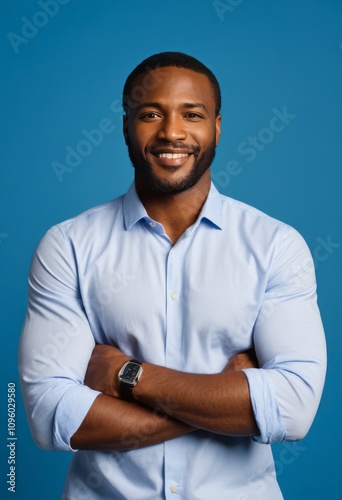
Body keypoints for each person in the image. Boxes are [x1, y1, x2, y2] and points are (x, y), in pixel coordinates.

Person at [19, 52, 326, 499]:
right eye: (150, 114)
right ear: (125, 126)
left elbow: (293, 409)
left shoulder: (276, 245)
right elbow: (49, 415)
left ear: (217, 127)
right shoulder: (68, 245)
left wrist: (128, 375)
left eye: (192, 114)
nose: (172, 132)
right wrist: (229, 403)